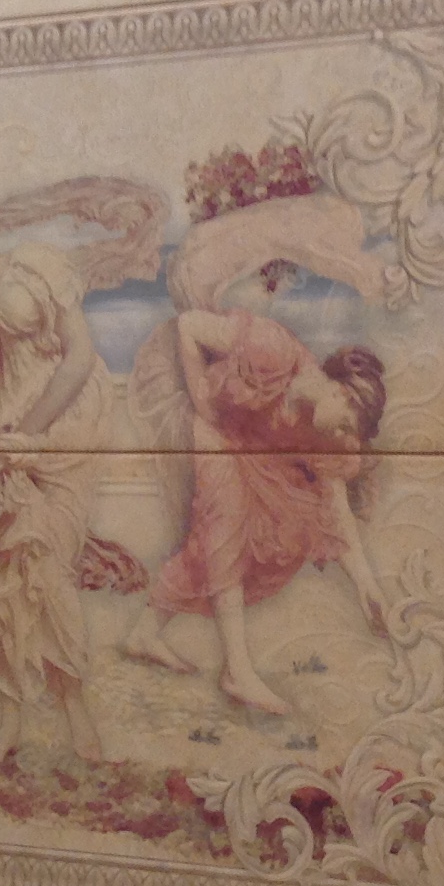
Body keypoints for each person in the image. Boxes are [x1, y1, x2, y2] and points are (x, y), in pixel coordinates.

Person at [0, 177, 164, 766]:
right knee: (9, 583)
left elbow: (79, 357)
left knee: (48, 574)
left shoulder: (32, 265)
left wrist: (33, 433)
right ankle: (10, 722)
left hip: (66, 436)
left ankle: (78, 718)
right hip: (15, 452)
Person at [119, 304, 390, 712]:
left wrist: (367, 586)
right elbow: (189, 325)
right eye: (345, 425)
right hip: (214, 423)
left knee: (229, 537)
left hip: (251, 447)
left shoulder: (324, 433)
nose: (340, 436)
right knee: (226, 518)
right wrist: (202, 400)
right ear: (340, 392)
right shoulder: (272, 349)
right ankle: (237, 672)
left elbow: (336, 511)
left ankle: (143, 633)